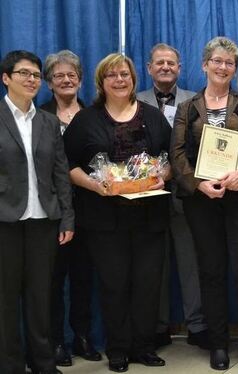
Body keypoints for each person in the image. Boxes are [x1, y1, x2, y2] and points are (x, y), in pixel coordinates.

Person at [171, 36, 238, 373]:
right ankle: (218, 344)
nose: (222, 67)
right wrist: (198, 184)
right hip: (202, 201)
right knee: (211, 272)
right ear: (205, 64)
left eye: (229, 62)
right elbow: (177, 154)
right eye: (217, 61)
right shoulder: (188, 108)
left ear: (234, 68)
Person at [63, 53, 172, 373]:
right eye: (112, 75)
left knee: (148, 283)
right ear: (101, 82)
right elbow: (67, 165)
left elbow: (170, 159)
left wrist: (160, 175)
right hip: (103, 219)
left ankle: (144, 345)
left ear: (134, 79)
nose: (119, 79)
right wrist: (95, 185)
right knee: (113, 284)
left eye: (124, 74)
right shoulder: (86, 120)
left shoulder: (153, 116)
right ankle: (118, 348)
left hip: (150, 216)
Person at [0, 50, 74, 374]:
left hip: (44, 220)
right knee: (5, 300)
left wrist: (67, 216)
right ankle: (10, 364)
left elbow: (61, 173)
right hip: (5, 222)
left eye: (36, 75)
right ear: (6, 78)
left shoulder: (47, 121)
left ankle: (42, 362)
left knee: (39, 297)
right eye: (24, 73)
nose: (32, 80)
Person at [136, 43, 206, 350]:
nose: (165, 67)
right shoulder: (133, 101)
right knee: (153, 264)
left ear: (180, 68)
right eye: (159, 63)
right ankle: (156, 326)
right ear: (149, 68)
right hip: (144, 198)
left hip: (187, 194)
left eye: (171, 63)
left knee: (192, 261)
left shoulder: (195, 100)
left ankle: (198, 325)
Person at [40, 50, 101, 367]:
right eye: (59, 76)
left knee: (83, 278)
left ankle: (83, 337)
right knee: (52, 281)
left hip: (90, 209)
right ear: (49, 82)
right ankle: (55, 342)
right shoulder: (39, 115)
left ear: (80, 78)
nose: (66, 80)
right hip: (52, 211)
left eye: (72, 75)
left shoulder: (93, 114)